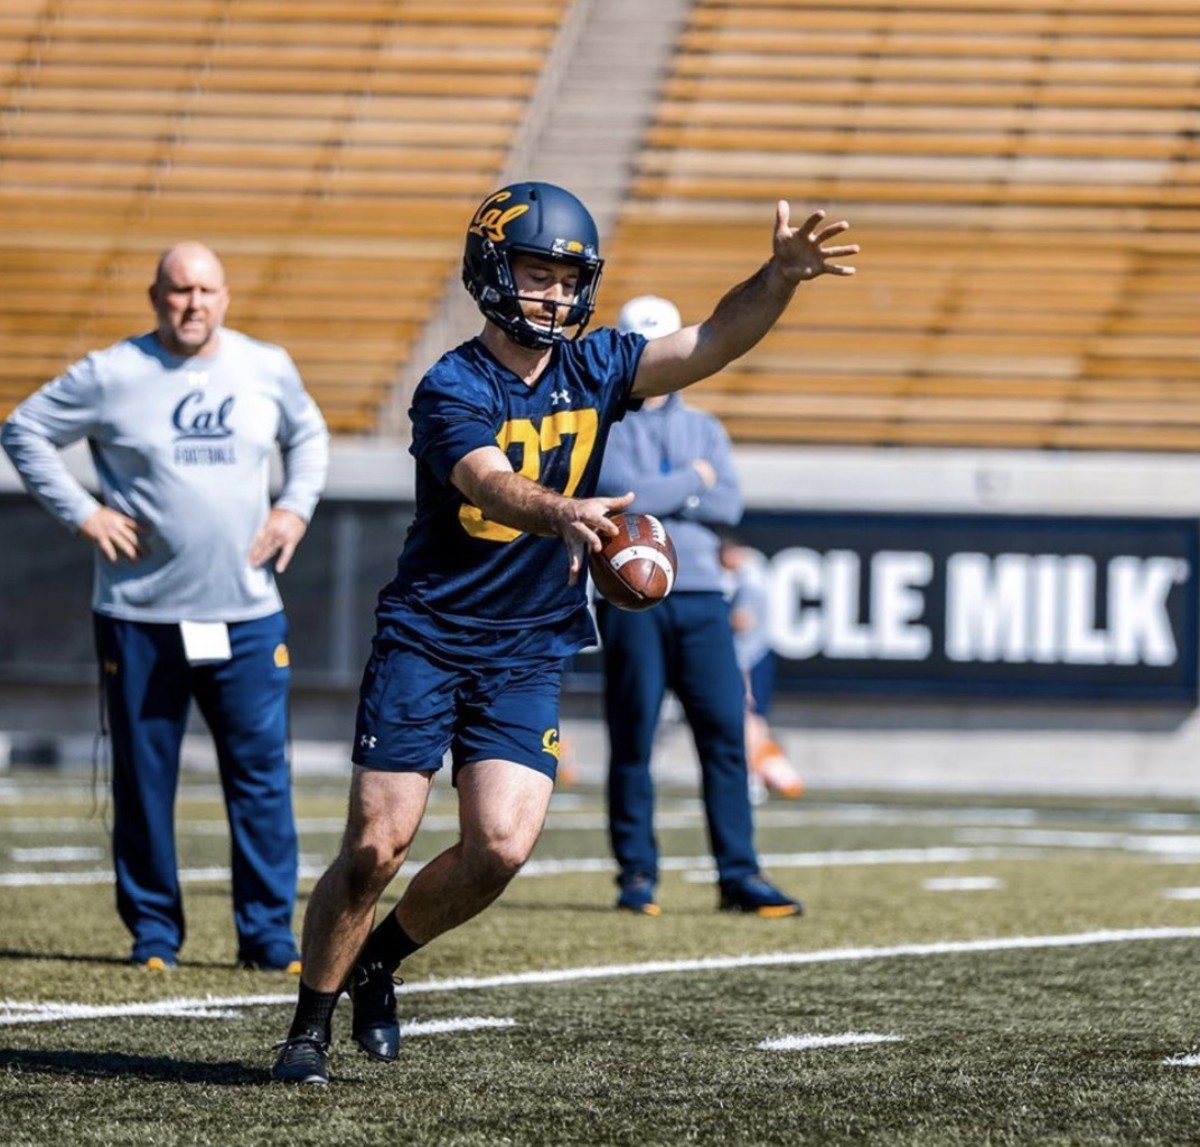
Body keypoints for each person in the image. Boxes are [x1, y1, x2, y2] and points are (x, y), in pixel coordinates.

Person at [270, 181, 857, 1085]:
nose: (550, 293)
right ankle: (309, 1021)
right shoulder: (452, 382)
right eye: (534, 273)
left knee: (500, 845)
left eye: (564, 277)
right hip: (428, 633)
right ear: (491, 273)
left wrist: (776, 279)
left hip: (528, 642)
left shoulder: (596, 365)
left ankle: (380, 962)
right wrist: (563, 514)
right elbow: (487, 480)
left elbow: (707, 342)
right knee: (374, 846)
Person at [0, 242, 330, 974]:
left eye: (207, 290)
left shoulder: (265, 365)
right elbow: (21, 430)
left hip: (246, 617)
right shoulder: (112, 372)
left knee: (260, 777)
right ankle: (153, 930)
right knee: (145, 779)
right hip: (140, 616)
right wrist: (84, 513)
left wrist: (295, 509)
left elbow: (309, 435)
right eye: (179, 290)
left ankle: (268, 933)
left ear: (226, 296)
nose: (193, 303)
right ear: (155, 295)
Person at [593, 295, 802, 918]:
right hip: (632, 603)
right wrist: (694, 482)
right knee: (633, 739)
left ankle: (739, 875)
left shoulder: (706, 426)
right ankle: (636, 875)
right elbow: (622, 495)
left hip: (704, 597)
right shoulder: (604, 423)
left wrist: (673, 493)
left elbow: (729, 506)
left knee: (724, 735)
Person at [719, 535, 804, 801]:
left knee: (747, 721)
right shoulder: (753, 576)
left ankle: (758, 775)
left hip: (749, 659)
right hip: (754, 656)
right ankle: (776, 775)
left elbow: (743, 622)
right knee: (753, 722)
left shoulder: (748, 580)